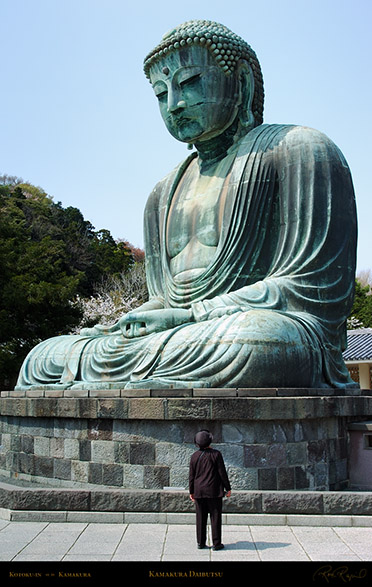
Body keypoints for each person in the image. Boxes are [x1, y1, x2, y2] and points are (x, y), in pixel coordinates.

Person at [15, 20, 358, 391]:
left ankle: (132, 377)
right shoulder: (161, 195)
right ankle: (132, 374)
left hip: (251, 331)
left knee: (258, 342)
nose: (175, 105)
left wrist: (191, 314)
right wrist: (132, 322)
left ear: (241, 83)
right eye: (161, 95)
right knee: (44, 357)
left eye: (190, 83)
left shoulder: (301, 150)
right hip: (183, 337)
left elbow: (312, 289)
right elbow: (163, 296)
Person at [189, 430, 231, 550]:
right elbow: (222, 473)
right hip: (214, 491)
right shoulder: (216, 454)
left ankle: (201, 542)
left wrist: (191, 491)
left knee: (200, 517)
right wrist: (228, 488)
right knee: (215, 517)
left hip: (199, 491)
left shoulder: (194, 456)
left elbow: (191, 476)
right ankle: (216, 543)